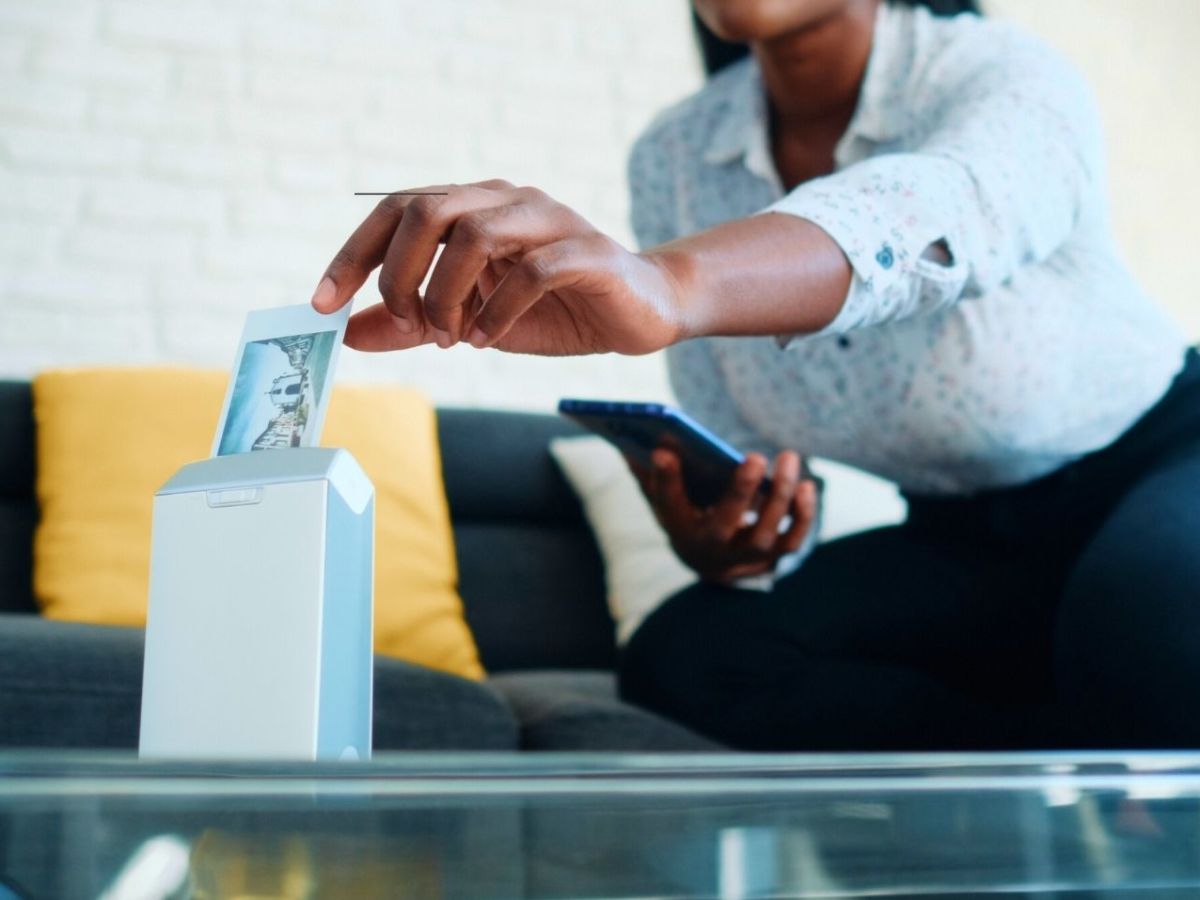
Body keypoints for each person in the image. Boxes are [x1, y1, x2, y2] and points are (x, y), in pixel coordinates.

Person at [311, 0, 1199, 750]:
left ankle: (1110, 729)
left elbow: (945, 206)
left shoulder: (1003, 75)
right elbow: (742, 425)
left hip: (1163, 465)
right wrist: (736, 519)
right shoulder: (676, 155)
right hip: (965, 543)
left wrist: (670, 280)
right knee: (689, 654)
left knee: (1140, 628)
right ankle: (1066, 772)